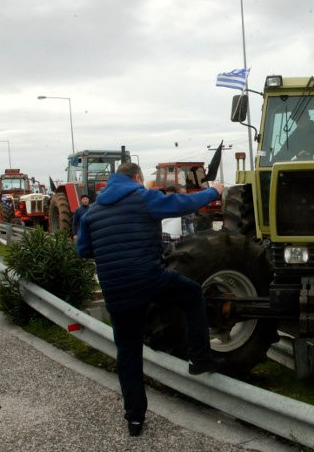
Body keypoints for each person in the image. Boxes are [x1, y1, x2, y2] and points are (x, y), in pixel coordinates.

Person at [76, 162, 224, 437]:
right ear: (137, 177)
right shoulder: (143, 197)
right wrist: (213, 192)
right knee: (191, 294)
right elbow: (181, 203)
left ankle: (134, 420)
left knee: (128, 353)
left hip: (116, 292)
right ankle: (199, 359)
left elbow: (83, 249)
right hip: (148, 279)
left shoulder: (92, 212)